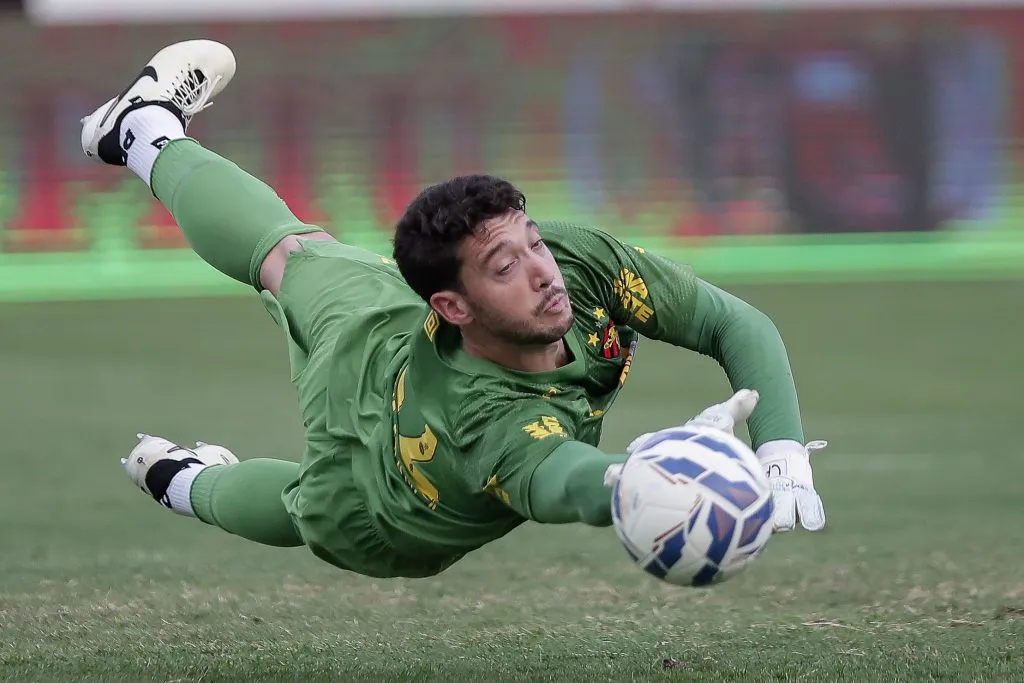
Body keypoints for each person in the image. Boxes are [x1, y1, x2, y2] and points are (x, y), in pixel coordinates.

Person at [82, 40, 826, 580]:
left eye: (533, 243)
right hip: (380, 426)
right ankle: (146, 131)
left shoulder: (574, 264)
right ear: (450, 303)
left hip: (387, 422)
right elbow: (569, 479)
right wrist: (632, 483)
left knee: (296, 275)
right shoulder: (491, 422)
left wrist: (781, 449)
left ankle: (142, 133)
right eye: (507, 266)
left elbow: (734, 323)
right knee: (302, 468)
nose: (542, 272)